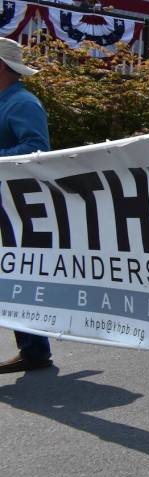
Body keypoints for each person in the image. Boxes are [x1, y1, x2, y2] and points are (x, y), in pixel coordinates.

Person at [0, 38, 55, 374]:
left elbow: (37, 148)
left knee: (17, 272)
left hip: (14, 205)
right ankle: (33, 348)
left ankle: (34, 348)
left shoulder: (22, 103)